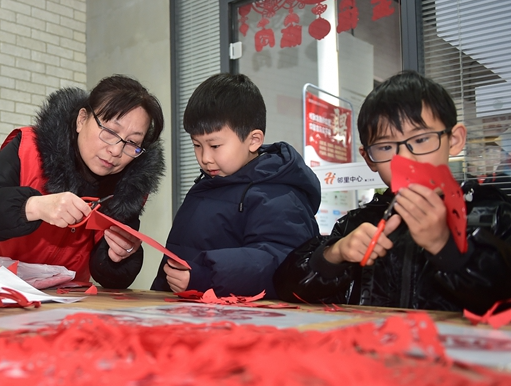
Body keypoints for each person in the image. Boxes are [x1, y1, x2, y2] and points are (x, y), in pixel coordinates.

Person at [273, 70, 511, 314]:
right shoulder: (356, 223)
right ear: (369, 159)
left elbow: (502, 299)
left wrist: (445, 246)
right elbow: (286, 288)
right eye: (386, 147)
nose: (405, 158)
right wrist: (335, 254)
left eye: (420, 140)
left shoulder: (490, 213)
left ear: (454, 140)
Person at [0, 75, 165, 289]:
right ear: (82, 119)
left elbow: (113, 280)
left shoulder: (128, 188)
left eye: (132, 143)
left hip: (60, 303)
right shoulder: (29, 148)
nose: (116, 150)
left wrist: (121, 256)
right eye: (110, 131)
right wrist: (32, 206)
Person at [150, 73, 321, 296]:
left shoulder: (278, 194)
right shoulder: (210, 184)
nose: (205, 157)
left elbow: (278, 261)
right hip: (191, 315)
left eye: (215, 145)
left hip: (241, 324)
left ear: (253, 140)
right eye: (197, 145)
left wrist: (204, 276)